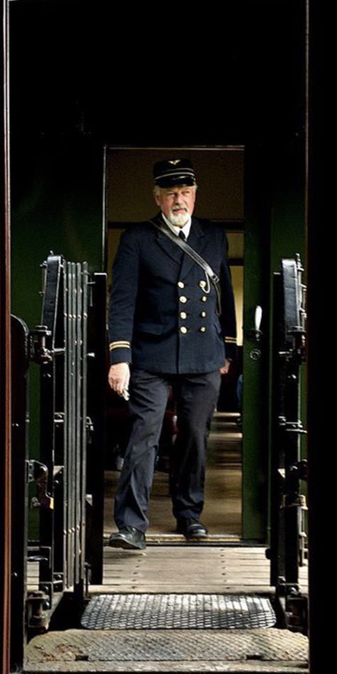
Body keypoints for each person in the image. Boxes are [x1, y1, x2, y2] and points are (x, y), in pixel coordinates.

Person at [107, 157, 238, 550]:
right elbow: (122, 301)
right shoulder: (137, 239)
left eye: (185, 192)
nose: (178, 200)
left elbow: (223, 294)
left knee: (195, 435)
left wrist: (228, 347)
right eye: (170, 193)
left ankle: (189, 514)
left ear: (194, 196)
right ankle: (131, 524)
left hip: (202, 354)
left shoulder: (214, 236)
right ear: (157, 198)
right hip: (151, 353)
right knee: (144, 434)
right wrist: (120, 358)